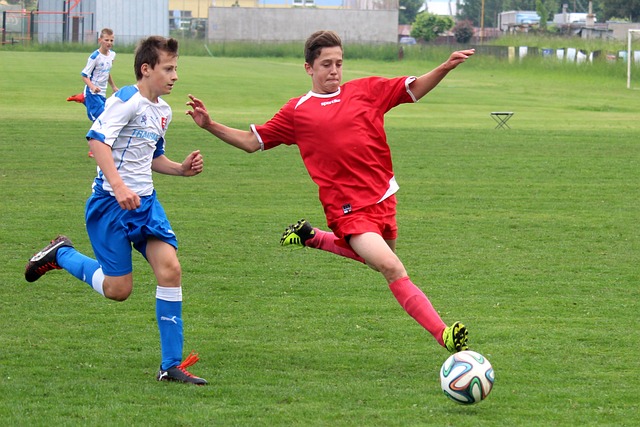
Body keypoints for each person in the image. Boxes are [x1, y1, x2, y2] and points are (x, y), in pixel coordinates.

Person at [186, 30, 474, 354]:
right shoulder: (298, 112)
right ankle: (444, 334)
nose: (334, 70)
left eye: (338, 63)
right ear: (309, 68)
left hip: (383, 197)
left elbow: (414, 88)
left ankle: (312, 237)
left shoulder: (366, 90)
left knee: (377, 262)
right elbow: (252, 142)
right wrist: (210, 124)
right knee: (392, 267)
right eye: (326, 64)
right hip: (347, 210)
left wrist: (444, 67)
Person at [26, 36, 207, 385]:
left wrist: (180, 169)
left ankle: (170, 366)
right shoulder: (127, 99)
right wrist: (120, 186)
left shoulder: (163, 111)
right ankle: (61, 254)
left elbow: (152, 158)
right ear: (146, 69)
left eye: (176, 68)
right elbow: (97, 140)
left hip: (146, 206)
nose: (175, 76)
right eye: (168, 69)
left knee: (170, 270)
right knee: (117, 290)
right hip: (110, 205)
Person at [66, 28, 119, 157]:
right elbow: (84, 75)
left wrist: (113, 86)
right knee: (101, 119)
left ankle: (83, 99)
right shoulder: (94, 57)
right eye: (106, 40)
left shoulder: (112, 55)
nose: (109, 42)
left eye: (111, 40)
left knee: (105, 117)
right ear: (100, 40)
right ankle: (93, 149)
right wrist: (92, 87)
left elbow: (107, 72)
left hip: (102, 93)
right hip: (92, 93)